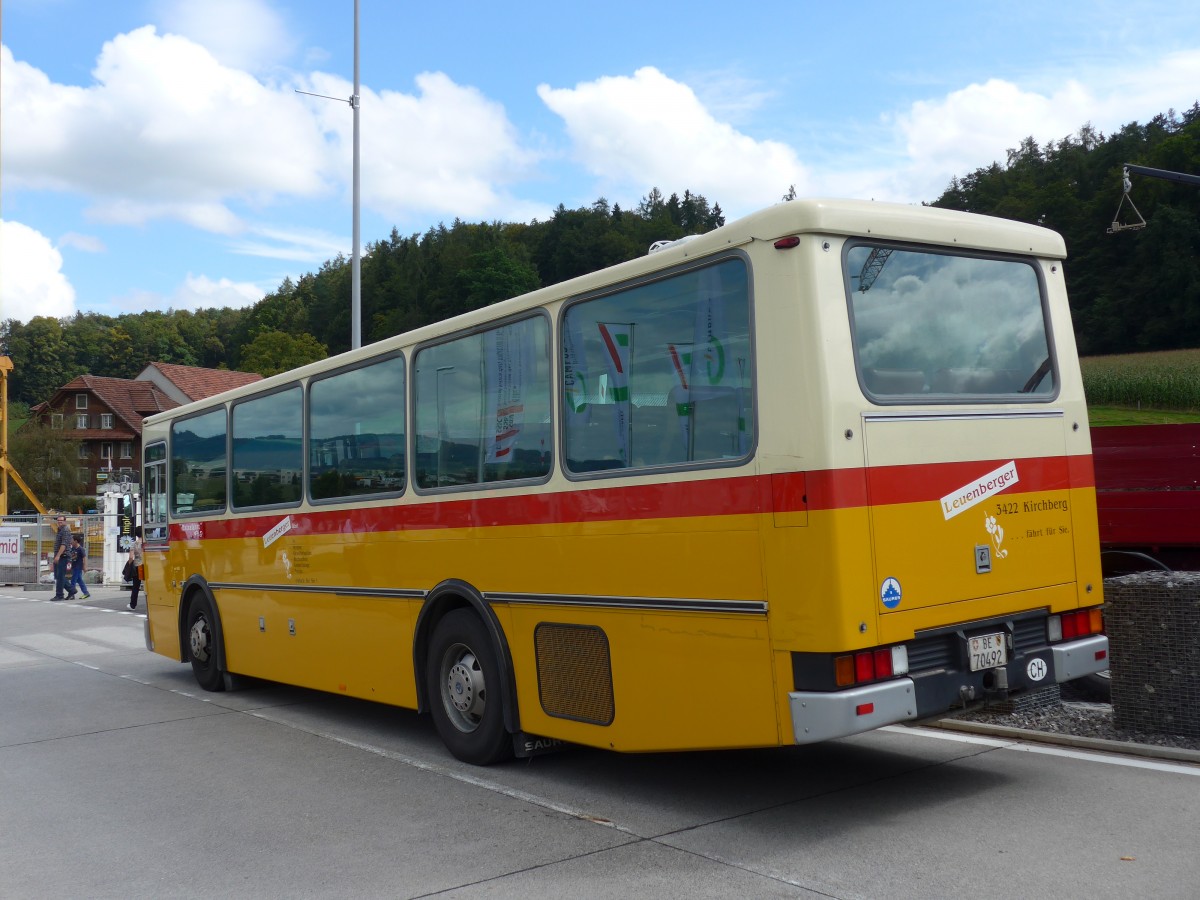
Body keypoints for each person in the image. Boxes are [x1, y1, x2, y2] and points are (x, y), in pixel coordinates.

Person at [51, 515, 72, 601]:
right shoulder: (60, 530)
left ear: (65, 521)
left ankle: (59, 595)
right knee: (58, 576)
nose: (59, 522)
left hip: (62, 556)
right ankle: (72, 590)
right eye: (58, 520)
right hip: (58, 556)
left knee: (60, 576)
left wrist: (58, 556)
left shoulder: (65, 531)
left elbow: (63, 545)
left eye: (61, 520)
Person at [66, 534, 91, 600]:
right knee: (79, 580)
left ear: (76, 541)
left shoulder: (80, 549)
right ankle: (86, 593)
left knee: (73, 581)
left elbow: (84, 558)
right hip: (73, 566)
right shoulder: (73, 548)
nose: (71, 541)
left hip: (78, 567)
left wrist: (85, 567)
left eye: (72, 540)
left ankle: (71, 594)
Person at [128, 526, 144, 610]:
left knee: (136, 586)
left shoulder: (134, 544)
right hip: (147, 565)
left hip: (138, 566)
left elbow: (131, 557)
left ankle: (132, 605)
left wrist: (129, 565)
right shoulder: (147, 542)